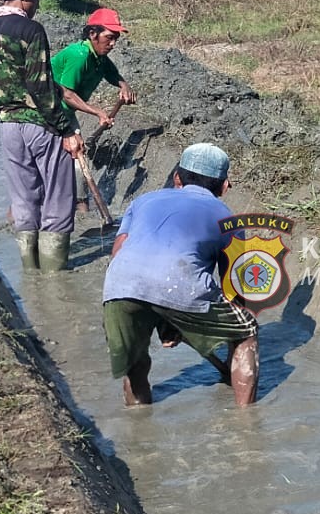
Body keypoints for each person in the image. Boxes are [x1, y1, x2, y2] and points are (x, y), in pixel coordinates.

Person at [101, 142, 259, 409]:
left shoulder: (142, 201)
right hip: (179, 286)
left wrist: (165, 314)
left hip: (119, 287)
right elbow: (233, 286)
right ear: (224, 186)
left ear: (177, 178)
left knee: (135, 368)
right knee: (247, 333)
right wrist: (231, 327)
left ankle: (139, 430)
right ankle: (246, 424)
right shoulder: (226, 217)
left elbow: (118, 253)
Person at [0, 0, 85, 272]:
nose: (37, 5)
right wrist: (65, 129)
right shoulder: (31, 31)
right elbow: (40, 84)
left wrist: (7, 100)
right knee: (59, 198)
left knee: (23, 197)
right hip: (41, 124)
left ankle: (30, 272)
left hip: (8, 125)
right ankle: (55, 275)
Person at [51, 8, 135, 132]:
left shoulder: (99, 57)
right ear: (92, 34)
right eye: (109, 37)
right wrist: (98, 112)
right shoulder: (79, 56)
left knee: (77, 149)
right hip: (47, 113)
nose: (113, 44)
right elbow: (67, 95)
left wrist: (124, 86)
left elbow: (112, 74)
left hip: (64, 112)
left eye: (116, 39)